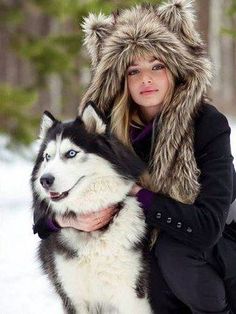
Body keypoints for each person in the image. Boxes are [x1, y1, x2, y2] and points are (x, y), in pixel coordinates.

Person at [33, 0, 236, 313]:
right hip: (148, 248)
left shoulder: (208, 124)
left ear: (176, 70)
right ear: (120, 78)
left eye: (157, 66)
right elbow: (44, 205)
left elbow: (208, 226)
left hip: (216, 244)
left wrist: (136, 193)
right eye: (134, 70)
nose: (146, 79)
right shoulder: (101, 129)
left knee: (170, 251)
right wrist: (68, 217)